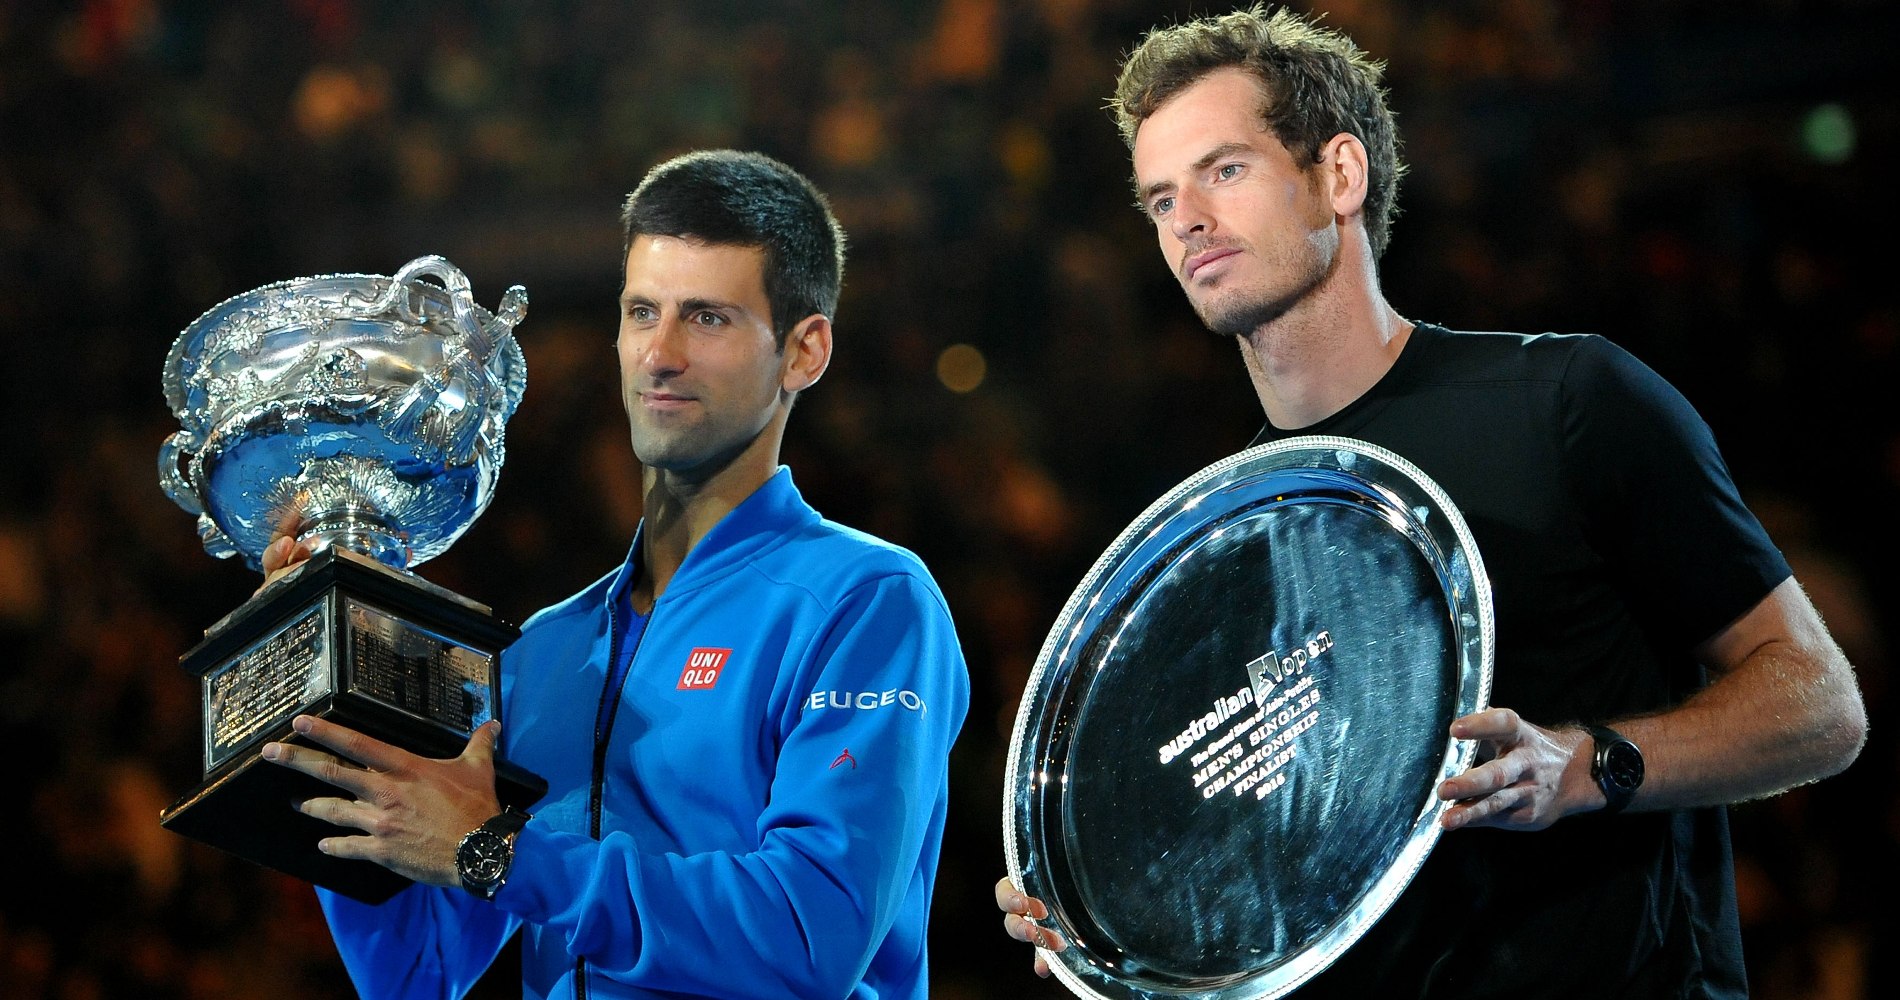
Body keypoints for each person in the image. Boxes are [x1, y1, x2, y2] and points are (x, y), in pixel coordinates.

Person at [995, 5, 1866, 997]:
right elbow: (1270, 846)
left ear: (1339, 175)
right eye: (1158, 198)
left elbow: (1820, 704)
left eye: (1223, 170)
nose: (1186, 217)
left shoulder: (1570, 400)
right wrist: (1106, 900)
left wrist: (1584, 766)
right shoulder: (1227, 531)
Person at [260, 149, 971, 999]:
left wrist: (500, 851)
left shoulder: (866, 603)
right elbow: (415, 973)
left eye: (706, 319)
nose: (660, 355)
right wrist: (336, 685)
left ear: (803, 351)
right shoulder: (544, 650)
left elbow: (808, 934)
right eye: (642, 312)